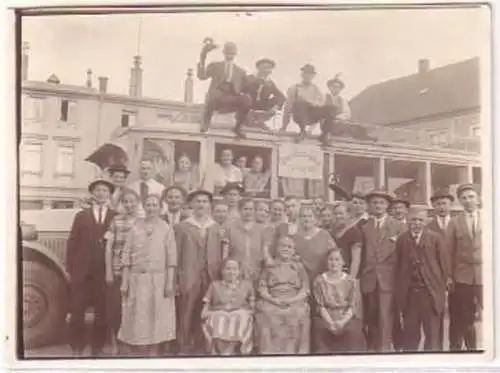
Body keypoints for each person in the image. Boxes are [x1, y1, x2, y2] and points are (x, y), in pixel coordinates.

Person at [118, 194, 177, 357]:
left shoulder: (166, 227)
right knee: (139, 314)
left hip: (159, 278)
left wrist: (169, 283)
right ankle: (138, 349)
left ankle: (154, 351)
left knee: (157, 314)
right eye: (148, 205)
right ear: (144, 207)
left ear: (160, 207)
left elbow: (171, 258)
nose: (151, 208)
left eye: (154, 205)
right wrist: (125, 282)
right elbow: (127, 256)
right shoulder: (135, 227)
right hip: (138, 278)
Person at [66, 179, 117, 356]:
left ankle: (97, 348)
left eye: (105, 190)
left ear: (109, 194)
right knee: (78, 310)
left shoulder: (115, 216)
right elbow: (72, 242)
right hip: (82, 272)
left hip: (104, 271)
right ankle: (76, 347)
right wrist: (71, 268)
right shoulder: (81, 216)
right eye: (98, 190)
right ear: (92, 193)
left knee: (101, 311)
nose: (101, 193)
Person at [174, 190, 225, 354]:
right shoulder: (182, 227)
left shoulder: (215, 227)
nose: (201, 204)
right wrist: (177, 277)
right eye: (197, 201)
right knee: (187, 310)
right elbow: (176, 254)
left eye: (204, 201)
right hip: (189, 275)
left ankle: (203, 343)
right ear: (191, 205)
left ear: (209, 205)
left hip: (211, 275)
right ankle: (183, 344)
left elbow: (220, 253)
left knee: (206, 310)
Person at [394, 208, 448, 352]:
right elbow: (398, 267)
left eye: (420, 220)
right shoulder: (402, 240)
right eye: (413, 220)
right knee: (410, 334)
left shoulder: (435, 238)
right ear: (407, 221)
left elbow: (444, 266)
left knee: (432, 333)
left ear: (426, 221)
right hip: (410, 294)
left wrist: (441, 291)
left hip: (430, 293)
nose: (417, 223)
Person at [360, 190, 406, 352]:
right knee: (372, 315)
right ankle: (372, 350)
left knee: (386, 316)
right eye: (374, 203)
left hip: (389, 279)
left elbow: (403, 255)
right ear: (369, 206)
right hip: (370, 278)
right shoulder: (365, 227)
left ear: (387, 206)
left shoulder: (399, 226)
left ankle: (383, 350)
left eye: (381, 203)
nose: (378, 206)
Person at [256, 236, 310, 354]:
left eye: (289, 247)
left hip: (294, 301)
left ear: (294, 250)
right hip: (273, 301)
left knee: (299, 313)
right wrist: (272, 299)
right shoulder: (269, 267)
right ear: (276, 248)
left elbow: (305, 289)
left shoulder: (299, 267)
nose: (286, 249)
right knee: (266, 312)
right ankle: (269, 354)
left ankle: (295, 354)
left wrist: (293, 300)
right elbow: (262, 287)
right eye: (283, 246)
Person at [104, 188, 140, 355]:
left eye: (132, 201)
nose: (129, 205)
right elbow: (109, 246)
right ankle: (115, 343)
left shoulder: (143, 221)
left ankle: (132, 343)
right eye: (125, 201)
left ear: (137, 203)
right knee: (115, 308)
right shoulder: (115, 221)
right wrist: (109, 271)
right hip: (118, 270)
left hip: (137, 272)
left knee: (134, 308)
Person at [447, 183, 482, 351]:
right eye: (464, 198)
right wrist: (450, 276)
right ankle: (472, 351)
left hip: (487, 275)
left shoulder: (492, 217)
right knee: (465, 317)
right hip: (463, 276)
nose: (468, 201)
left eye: (471, 197)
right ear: (460, 201)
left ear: (478, 198)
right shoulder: (454, 222)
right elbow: (449, 251)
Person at [312, 249, 366, 353]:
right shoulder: (319, 281)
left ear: (343, 262)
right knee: (320, 330)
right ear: (326, 262)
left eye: (337, 259)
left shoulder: (350, 281)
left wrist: (342, 322)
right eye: (331, 260)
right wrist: (331, 323)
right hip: (326, 316)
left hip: (345, 316)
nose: (334, 263)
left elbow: (352, 306)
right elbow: (320, 306)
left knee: (353, 332)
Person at [197, 40, 251, 138]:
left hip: (231, 96)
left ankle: (238, 127)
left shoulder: (240, 72)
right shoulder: (215, 66)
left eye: (232, 53)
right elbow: (202, 76)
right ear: (224, 53)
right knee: (214, 96)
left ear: (235, 54)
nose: (230, 55)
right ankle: (205, 123)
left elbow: (246, 88)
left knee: (246, 99)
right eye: (228, 53)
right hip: (217, 96)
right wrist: (203, 56)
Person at [201, 259, 255, 355]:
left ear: (239, 271)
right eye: (228, 269)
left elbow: (252, 308)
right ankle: (222, 351)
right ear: (222, 271)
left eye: (235, 269)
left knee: (240, 317)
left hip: (239, 312)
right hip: (218, 312)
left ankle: (231, 350)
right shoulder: (214, 285)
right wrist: (208, 313)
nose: (231, 272)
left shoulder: (247, 285)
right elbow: (205, 309)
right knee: (219, 317)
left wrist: (245, 312)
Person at [426, 188, 454, 350]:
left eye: (444, 204)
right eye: (438, 204)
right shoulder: (428, 226)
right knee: (437, 312)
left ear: (450, 205)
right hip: (435, 276)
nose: (442, 207)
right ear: (433, 206)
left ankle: (455, 346)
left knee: (458, 313)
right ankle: (437, 347)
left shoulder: (457, 223)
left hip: (457, 274)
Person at [281, 64, 329, 143]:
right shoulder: (295, 87)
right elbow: (288, 106)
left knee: (330, 108)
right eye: (305, 73)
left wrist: (314, 103)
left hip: (312, 115)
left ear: (313, 76)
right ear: (302, 74)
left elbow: (321, 103)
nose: (307, 76)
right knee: (301, 103)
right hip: (299, 115)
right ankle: (302, 131)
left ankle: (325, 134)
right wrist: (284, 126)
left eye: (310, 74)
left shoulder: (315, 89)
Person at [224, 198, 267, 285]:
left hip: (255, 271)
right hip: (235, 272)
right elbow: (225, 253)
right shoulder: (230, 228)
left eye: (251, 209)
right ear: (239, 210)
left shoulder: (261, 229)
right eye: (245, 209)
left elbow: (264, 251)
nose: (248, 212)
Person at [330, 202, 362, 278]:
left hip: (347, 274)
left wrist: (351, 278)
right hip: (334, 273)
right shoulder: (332, 232)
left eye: (341, 213)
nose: (338, 216)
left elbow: (356, 259)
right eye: (335, 214)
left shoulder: (354, 233)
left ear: (348, 215)